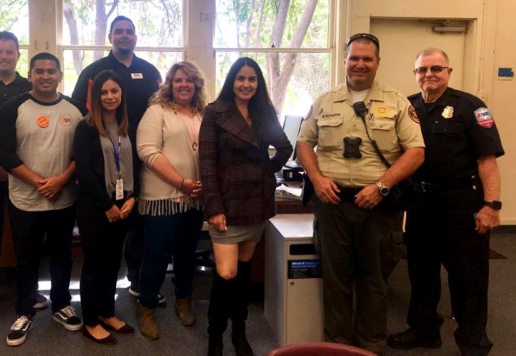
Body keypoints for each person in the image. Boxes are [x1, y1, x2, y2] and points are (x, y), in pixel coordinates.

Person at [297, 33, 425, 354]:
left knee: (374, 281)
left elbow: (416, 151)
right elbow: (303, 142)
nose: (360, 64)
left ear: (378, 63)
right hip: (332, 203)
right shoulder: (325, 101)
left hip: (378, 206)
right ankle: (337, 347)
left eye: (368, 59)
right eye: (354, 58)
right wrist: (316, 178)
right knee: (335, 280)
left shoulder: (397, 102)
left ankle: (370, 347)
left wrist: (382, 187)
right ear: (344, 61)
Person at [387, 48, 503, 356]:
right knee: (421, 274)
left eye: (436, 68)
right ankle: (424, 330)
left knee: (468, 279)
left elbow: (487, 160)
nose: (429, 74)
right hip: (420, 206)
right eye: (422, 69)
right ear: (415, 74)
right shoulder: (407, 107)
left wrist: (491, 205)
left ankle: (474, 342)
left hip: (460, 205)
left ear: (448, 71)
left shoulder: (471, 107)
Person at [200, 57, 293, 356]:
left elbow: (285, 148)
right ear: (232, 81)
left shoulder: (264, 111)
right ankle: (215, 335)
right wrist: (214, 206)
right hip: (226, 204)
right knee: (226, 273)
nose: (246, 84)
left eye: (252, 79)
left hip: (256, 201)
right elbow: (206, 163)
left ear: (259, 83)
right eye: (241, 78)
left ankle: (239, 333)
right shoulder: (214, 112)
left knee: (242, 272)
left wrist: (266, 173)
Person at [0, 52, 85, 346]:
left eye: (51, 71)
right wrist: (39, 182)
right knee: (27, 257)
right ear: (30, 74)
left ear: (60, 75)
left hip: (64, 198)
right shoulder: (13, 108)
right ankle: (24, 311)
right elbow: (4, 153)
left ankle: (60, 304)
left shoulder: (74, 110)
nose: (45, 76)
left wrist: (60, 181)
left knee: (62, 255)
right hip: (25, 200)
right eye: (39, 71)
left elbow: (81, 155)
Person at [72, 15, 164, 304]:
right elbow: (77, 110)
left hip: (139, 158)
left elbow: (163, 108)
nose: (125, 36)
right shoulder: (94, 70)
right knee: (101, 244)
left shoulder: (149, 71)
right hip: (100, 160)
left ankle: (136, 283)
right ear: (110, 37)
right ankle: (97, 303)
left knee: (137, 228)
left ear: (136, 37)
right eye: (119, 32)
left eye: (130, 32)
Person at [0, 31, 49, 312]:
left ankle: (28, 290)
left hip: (24, 174)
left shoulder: (30, 88)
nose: (4, 56)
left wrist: (17, 171)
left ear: (18, 55)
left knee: (25, 234)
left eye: (9, 52)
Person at [135, 61, 207, 340]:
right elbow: (147, 151)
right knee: (156, 254)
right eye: (178, 80)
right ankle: (147, 307)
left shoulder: (203, 114)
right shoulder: (157, 111)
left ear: (196, 85)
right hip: (163, 197)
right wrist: (181, 183)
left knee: (187, 253)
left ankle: (183, 299)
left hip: (195, 199)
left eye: (189, 80)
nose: (183, 85)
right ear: (169, 84)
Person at [74, 70, 138, 345]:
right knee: (94, 264)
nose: (110, 97)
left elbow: (138, 165)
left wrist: (133, 198)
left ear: (121, 94)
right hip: (95, 206)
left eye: (114, 91)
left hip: (124, 204)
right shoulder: (85, 127)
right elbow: (85, 172)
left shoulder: (128, 125)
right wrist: (107, 205)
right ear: (95, 96)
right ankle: (89, 320)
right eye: (104, 92)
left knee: (114, 262)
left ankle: (106, 312)